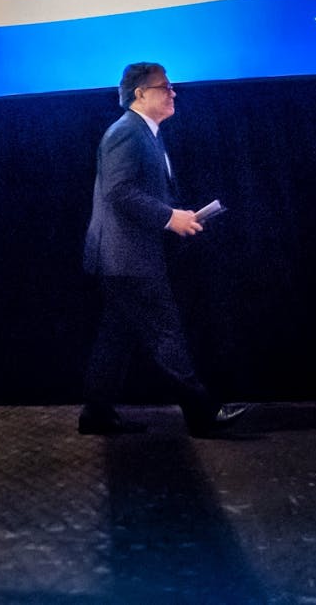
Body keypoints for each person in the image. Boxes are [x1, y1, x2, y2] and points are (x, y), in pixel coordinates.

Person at [79, 61, 250, 438]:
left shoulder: (148, 134)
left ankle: (96, 413)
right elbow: (119, 192)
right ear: (140, 94)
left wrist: (183, 216)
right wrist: (169, 217)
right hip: (127, 258)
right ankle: (202, 414)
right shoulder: (126, 133)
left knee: (117, 335)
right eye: (165, 87)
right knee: (166, 333)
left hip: (122, 258)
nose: (173, 93)